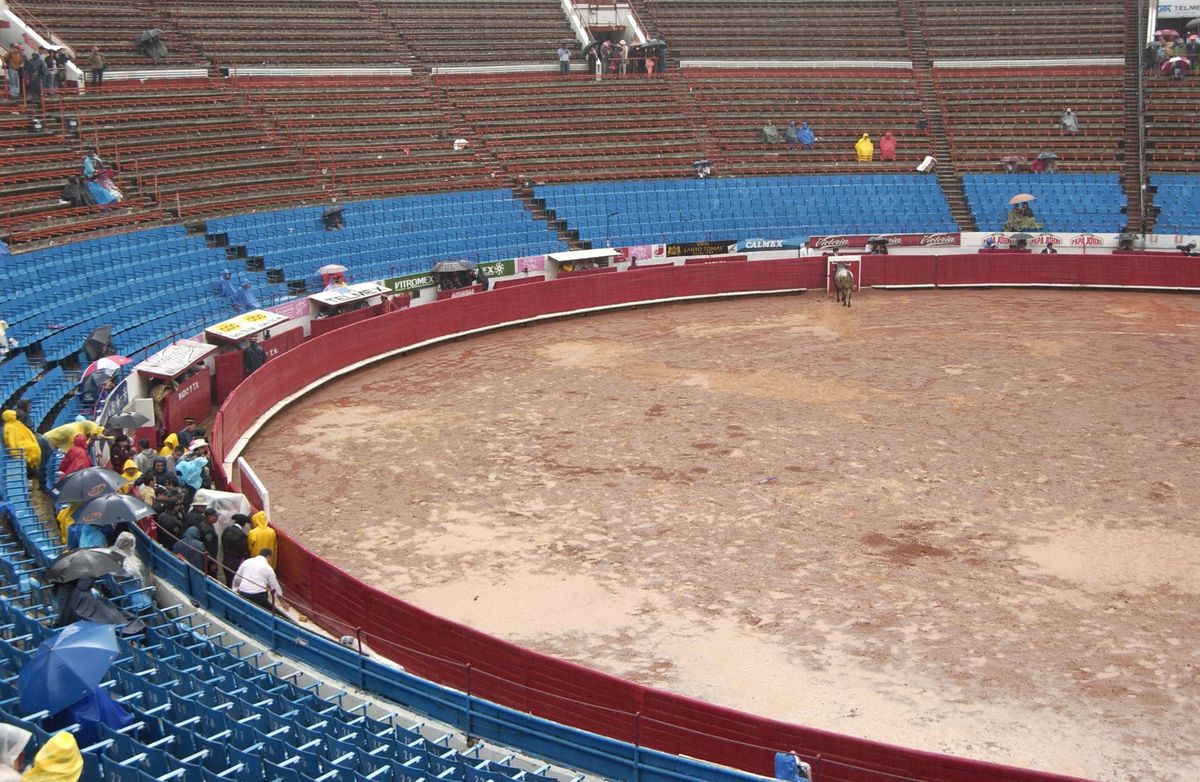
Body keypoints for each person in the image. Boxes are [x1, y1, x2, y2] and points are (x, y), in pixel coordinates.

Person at [2, 410, 41, 475]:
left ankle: (34, 467)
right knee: (32, 448)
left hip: (24, 441)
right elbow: (12, 441)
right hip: (19, 445)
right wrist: (14, 451)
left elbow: (26, 432)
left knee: (35, 446)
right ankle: (32, 468)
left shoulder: (17, 423)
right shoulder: (9, 427)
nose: (16, 416)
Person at [221, 514, 252, 586]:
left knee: (228, 583)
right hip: (236, 563)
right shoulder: (242, 535)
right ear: (243, 523)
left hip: (225, 560)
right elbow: (244, 551)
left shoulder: (226, 530)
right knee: (236, 585)